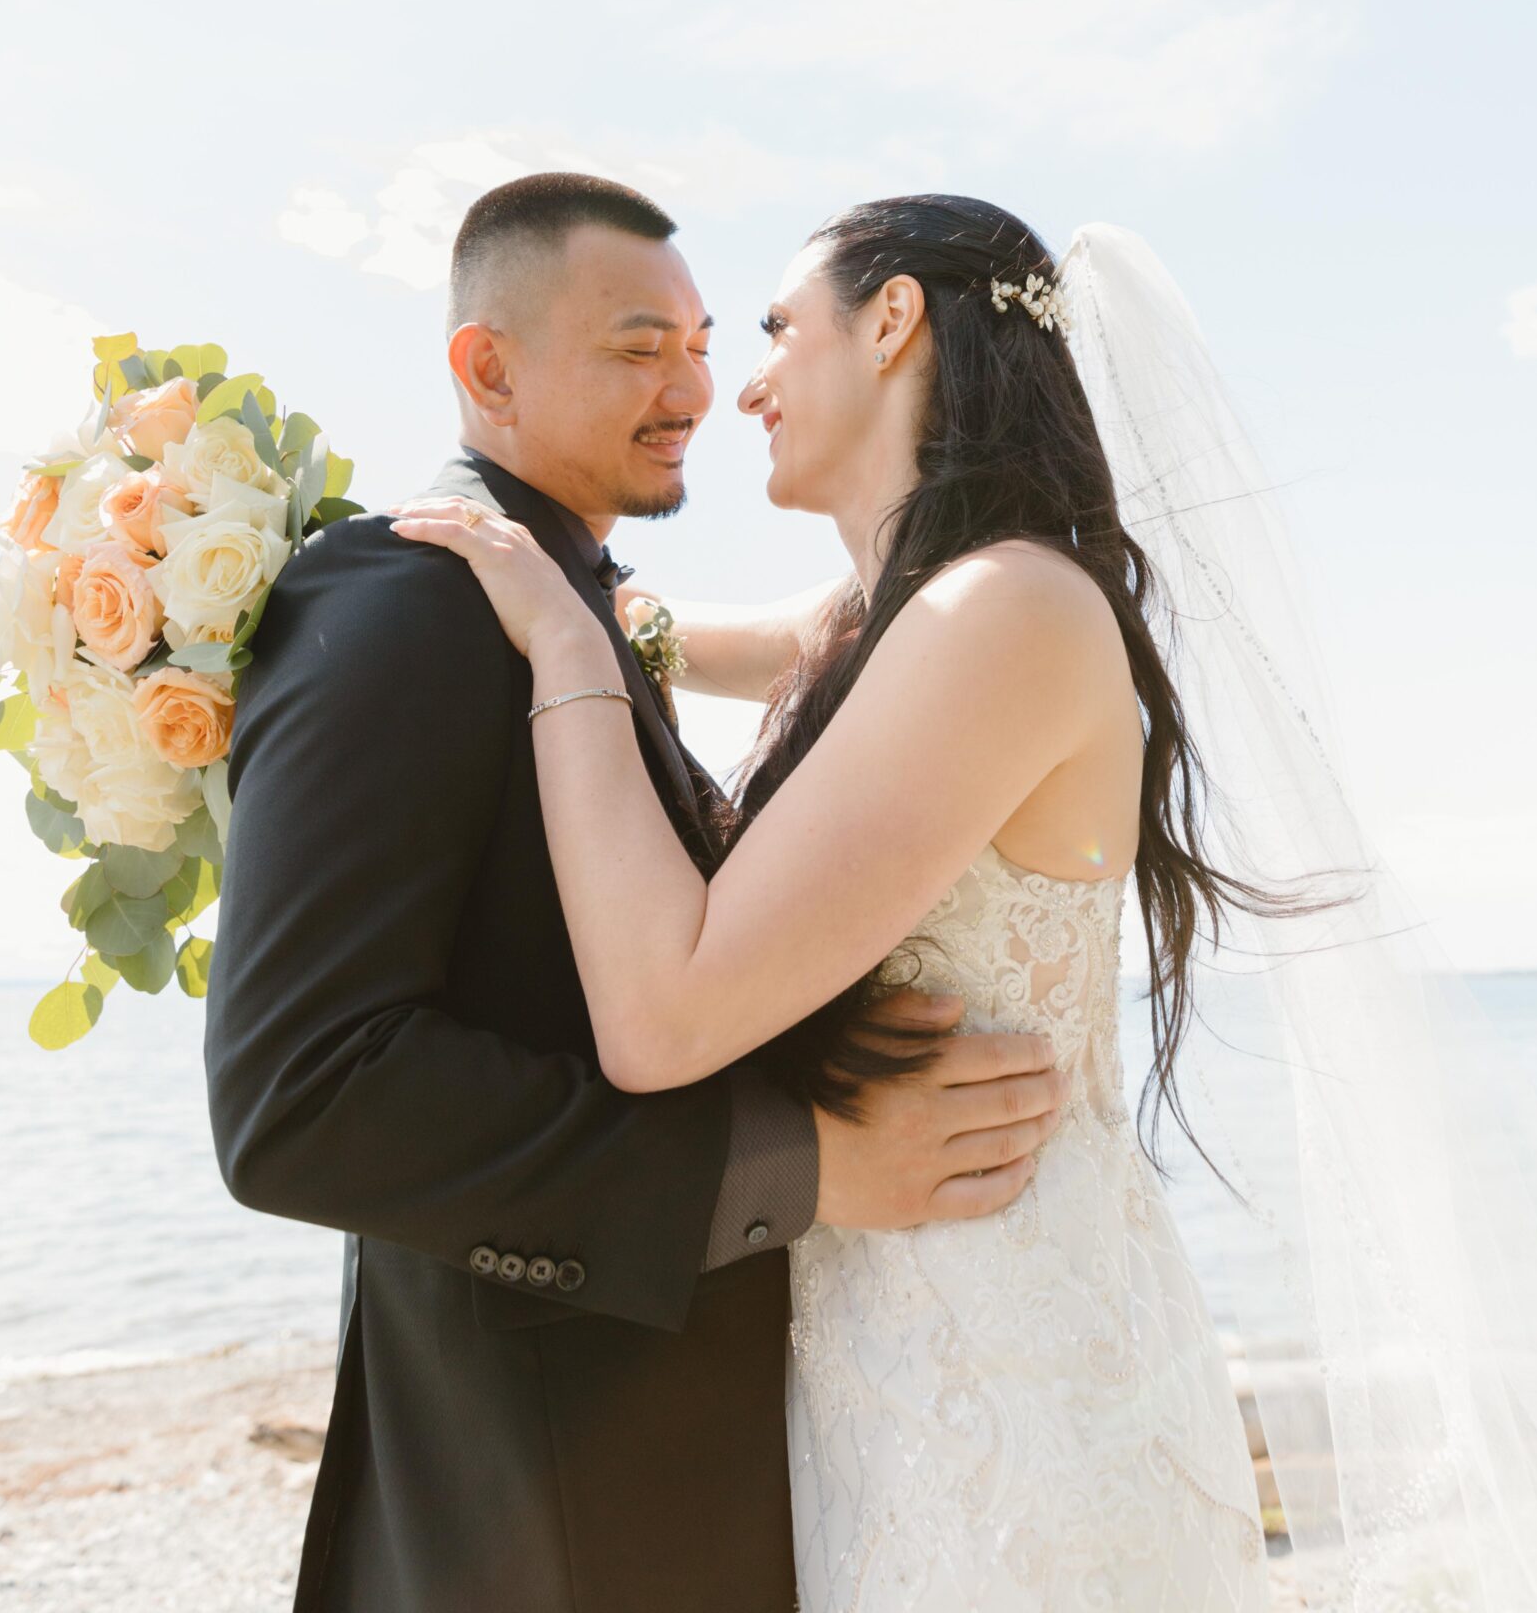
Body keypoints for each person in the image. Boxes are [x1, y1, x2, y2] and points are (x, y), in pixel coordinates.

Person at [390, 191, 1282, 1611]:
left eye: (774, 330)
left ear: (892, 321)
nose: (738, 384)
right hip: (887, 1357)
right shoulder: (887, 620)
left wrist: (558, 640)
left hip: (1009, 1390)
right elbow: (666, 636)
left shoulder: (1002, 616)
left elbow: (665, 1019)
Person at [204, 174, 1066, 1613]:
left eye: (705, 340)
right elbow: (304, 1098)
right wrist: (798, 1170)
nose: (695, 388)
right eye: (633, 348)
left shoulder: (583, 612)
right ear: (488, 367)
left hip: (710, 1481)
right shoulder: (405, 596)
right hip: (545, 1512)